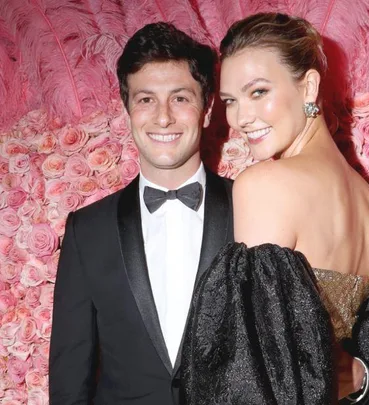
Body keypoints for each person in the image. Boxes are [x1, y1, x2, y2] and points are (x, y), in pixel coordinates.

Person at [180, 13, 369, 405]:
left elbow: (250, 377)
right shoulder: (366, 200)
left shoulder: (262, 184)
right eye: (230, 101)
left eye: (258, 92)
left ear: (308, 86)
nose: (241, 118)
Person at [49, 22, 233, 405]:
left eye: (180, 98)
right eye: (146, 99)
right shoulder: (88, 230)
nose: (163, 117)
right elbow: (70, 375)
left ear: (207, 108)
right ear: (127, 109)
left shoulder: (253, 208)